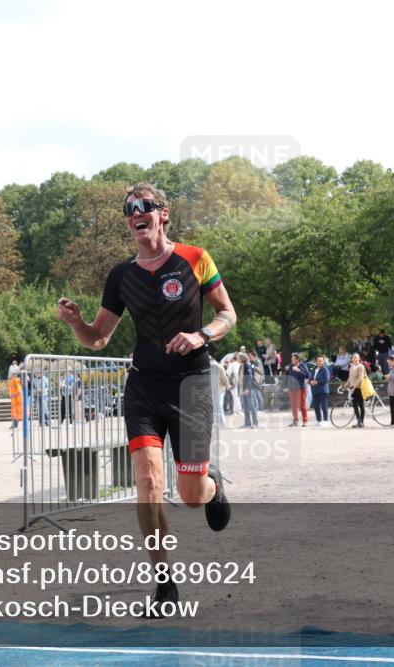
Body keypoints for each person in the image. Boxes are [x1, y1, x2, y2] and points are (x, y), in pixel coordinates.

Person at [56, 182, 235, 614]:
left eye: (144, 207)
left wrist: (200, 335)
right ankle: (164, 584)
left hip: (190, 386)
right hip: (143, 389)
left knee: (190, 494)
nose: (136, 213)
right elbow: (99, 339)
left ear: (163, 214)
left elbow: (227, 314)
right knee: (149, 483)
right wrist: (76, 322)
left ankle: (214, 488)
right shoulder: (121, 276)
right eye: (129, 209)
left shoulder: (195, 258)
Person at [285, 353, 309, 427]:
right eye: (291, 359)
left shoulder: (303, 365)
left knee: (302, 405)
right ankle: (295, 420)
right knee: (293, 405)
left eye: (293, 359)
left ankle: (305, 421)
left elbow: (307, 375)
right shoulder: (291, 365)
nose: (292, 360)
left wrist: (298, 370)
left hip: (301, 388)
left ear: (297, 359)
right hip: (292, 388)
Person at [239, 351, 261, 429]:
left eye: (239, 357)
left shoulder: (247, 365)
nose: (238, 358)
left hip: (248, 388)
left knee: (251, 405)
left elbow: (249, 377)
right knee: (245, 406)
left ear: (242, 358)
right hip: (244, 388)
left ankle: (255, 423)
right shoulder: (243, 365)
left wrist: (247, 388)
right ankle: (247, 423)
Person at [346, 352, 367, 428]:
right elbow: (350, 378)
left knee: (361, 405)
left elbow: (360, 378)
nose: (355, 359)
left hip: (359, 388)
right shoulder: (351, 367)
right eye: (353, 357)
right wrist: (345, 386)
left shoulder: (361, 366)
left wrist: (354, 388)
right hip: (353, 388)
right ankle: (359, 421)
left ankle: (361, 422)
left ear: (359, 358)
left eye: (356, 357)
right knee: (354, 405)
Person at [309, 354, 331, 426]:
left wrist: (317, 382)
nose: (320, 362)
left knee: (324, 406)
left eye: (321, 361)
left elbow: (326, 379)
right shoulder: (314, 369)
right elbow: (311, 378)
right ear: (316, 361)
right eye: (318, 361)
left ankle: (325, 420)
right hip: (315, 390)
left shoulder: (325, 369)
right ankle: (319, 420)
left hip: (323, 390)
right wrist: (310, 381)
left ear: (323, 361)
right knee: (316, 406)